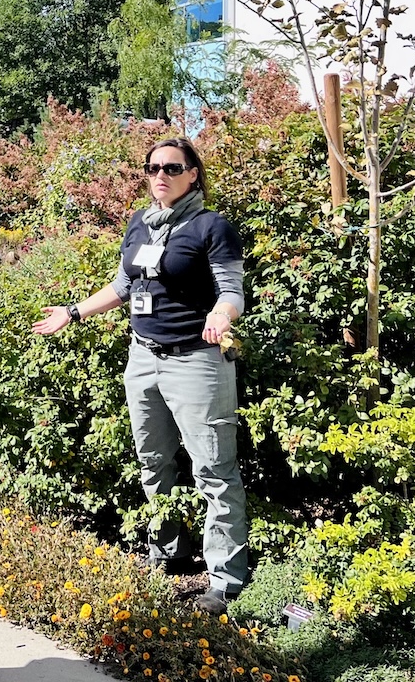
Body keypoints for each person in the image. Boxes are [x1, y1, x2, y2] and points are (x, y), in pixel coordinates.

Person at [31, 136, 250, 615]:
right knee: (154, 462)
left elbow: (232, 289)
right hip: (143, 357)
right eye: (152, 168)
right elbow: (125, 285)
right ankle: (166, 555)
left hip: (196, 360)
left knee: (213, 469)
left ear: (193, 172)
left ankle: (224, 579)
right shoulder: (141, 223)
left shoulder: (211, 226)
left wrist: (221, 315)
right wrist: (73, 312)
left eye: (171, 168)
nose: (160, 176)